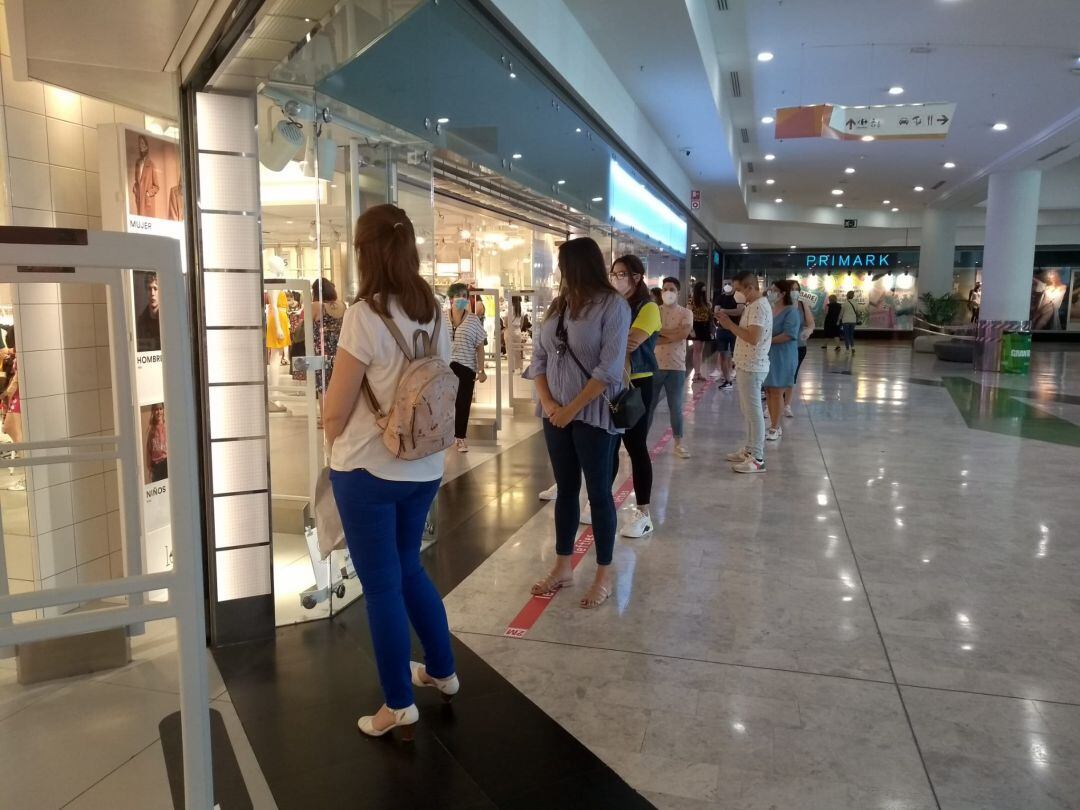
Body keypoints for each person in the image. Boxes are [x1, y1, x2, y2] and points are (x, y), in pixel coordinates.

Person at [322, 204, 458, 740]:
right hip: (424, 465)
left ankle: (398, 704)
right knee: (409, 570)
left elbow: (336, 410)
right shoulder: (434, 309)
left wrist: (326, 431)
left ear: (366, 251)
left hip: (367, 470)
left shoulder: (364, 316)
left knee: (380, 586)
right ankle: (442, 672)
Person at [526, 237, 630, 609]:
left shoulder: (612, 306)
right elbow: (538, 359)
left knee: (599, 492)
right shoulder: (558, 306)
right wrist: (551, 403)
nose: (559, 272)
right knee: (566, 490)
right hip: (554, 414)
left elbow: (610, 368)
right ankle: (563, 566)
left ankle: (603, 573)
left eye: (562, 265)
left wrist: (572, 408)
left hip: (594, 414)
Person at [609, 255, 660, 538]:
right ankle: (601, 501)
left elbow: (631, 341)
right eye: (614, 274)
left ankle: (644, 512)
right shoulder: (614, 304)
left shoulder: (649, 307)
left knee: (636, 446)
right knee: (610, 443)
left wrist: (604, 341)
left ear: (637, 277)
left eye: (622, 274)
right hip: (612, 383)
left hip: (637, 384)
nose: (616, 279)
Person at [716, 271, 771, 473]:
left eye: (738, 289)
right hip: (747, 364)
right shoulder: (752, 306)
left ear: (750, 288)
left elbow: (753, 337)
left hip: (753, 366)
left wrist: (729, 325)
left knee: (754, 412)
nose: (736, 293)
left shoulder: (758, 307)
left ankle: (757, 457)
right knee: (748, 411)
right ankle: (750, 449)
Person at [652, 276, 693, 459]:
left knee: (675, 406)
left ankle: (678, 443)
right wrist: (672, 334)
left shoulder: (686, 313)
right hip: (654, 365)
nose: (668, 292)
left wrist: (660, 332)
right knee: (648, 406)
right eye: (665, 289)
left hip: (677, 366)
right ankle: (638, 443)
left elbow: (683, 334)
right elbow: (650, 336)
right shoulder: (654, 311)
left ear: (678, 292)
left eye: (672, 289)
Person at [447, 282, 487, 453]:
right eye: (458, 296)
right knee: (445, 404)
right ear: (451, 299)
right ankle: (444, 436)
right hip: (445, 367)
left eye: (464, 296)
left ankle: (460, 438)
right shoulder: (441, 318)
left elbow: (480, 346)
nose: (462, 300)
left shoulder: (473, 320)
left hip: (466, 367)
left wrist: (481, 370)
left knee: (463, 404)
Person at [763, 281, 800, 442]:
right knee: (769, 391)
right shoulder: (770, 309)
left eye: (775, 290)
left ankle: (775, 427)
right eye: (770, 290)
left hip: (784, 355)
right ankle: (772, 423)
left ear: (783, 293)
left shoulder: (791, 311)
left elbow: (789, 334)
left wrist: (766, 341)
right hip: (769, 355)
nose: (771, 293)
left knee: (777, 391)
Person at [784, 280, 816, 417]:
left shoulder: (803, 305)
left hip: (798, 346)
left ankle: (786, 404)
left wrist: (808, 331)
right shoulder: (780, 304)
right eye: (791, 289)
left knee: (791, 376)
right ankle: (771, 404)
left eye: (797, 289)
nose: (794, 292)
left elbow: (811, 324)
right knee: (777, 375)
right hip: (781, 345)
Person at [312, 278, 346, 393]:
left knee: (324, 389)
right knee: (339, 387)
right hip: (341, 350)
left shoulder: (316, 306)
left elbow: (304, 327)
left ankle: (325, 411)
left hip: (322, 352)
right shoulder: (342, 305)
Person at [712, 282, 742, 389]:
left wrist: (724, 311)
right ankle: (727, 380)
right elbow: (716, 312)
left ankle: (738, 376)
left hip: (735, 329)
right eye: (725, 283)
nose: (727, 285)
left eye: (730, 284)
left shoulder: (738, 297)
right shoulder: (720, 297)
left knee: (737, 355)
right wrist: (728, 312)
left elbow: (739, 311)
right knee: (723, 355)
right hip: (721, 329)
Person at [689, 281, 712, 381]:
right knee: (696, 350)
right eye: (703, 288)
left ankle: (698, 372)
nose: (704, 290)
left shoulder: (706, 301)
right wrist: (691, 329)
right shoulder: (692, 301)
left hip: (705, 326)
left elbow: (709, 315)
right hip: (696, 326)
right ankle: (696, 373)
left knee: (700, 350)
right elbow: (689, 316)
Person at [132, 134, 159, 217]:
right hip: (139, 200)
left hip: (147, 202)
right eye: (139, 144)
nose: (141, 146)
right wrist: (135, 190)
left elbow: (156, 186)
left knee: (148, 226)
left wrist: (148, 193)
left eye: (143, 143)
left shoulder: (151, 165)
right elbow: (137, 181)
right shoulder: (138, 163)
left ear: (147, 146)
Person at [136, 272, 161, 353]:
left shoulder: (168, 319)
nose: (152, 293)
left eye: (155, 288)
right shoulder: (141, 321)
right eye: (149, 289)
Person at [265, 290, 290, 366]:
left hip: (280, 318)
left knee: (277, 356)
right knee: (276, 357)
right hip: (278, 319)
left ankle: (274, 378)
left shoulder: (278, 288)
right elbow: (274, 307)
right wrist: (278, 328)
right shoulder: (275, 287)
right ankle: (274, 378)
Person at [145, 403, 168, 483]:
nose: (158, 412)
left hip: (167, 463)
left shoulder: (167, 426)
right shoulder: (151, 430)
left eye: (160, 409)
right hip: (157, 466)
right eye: (156, 409)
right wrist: (149, 466)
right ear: (153, 412)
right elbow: (148, 449)